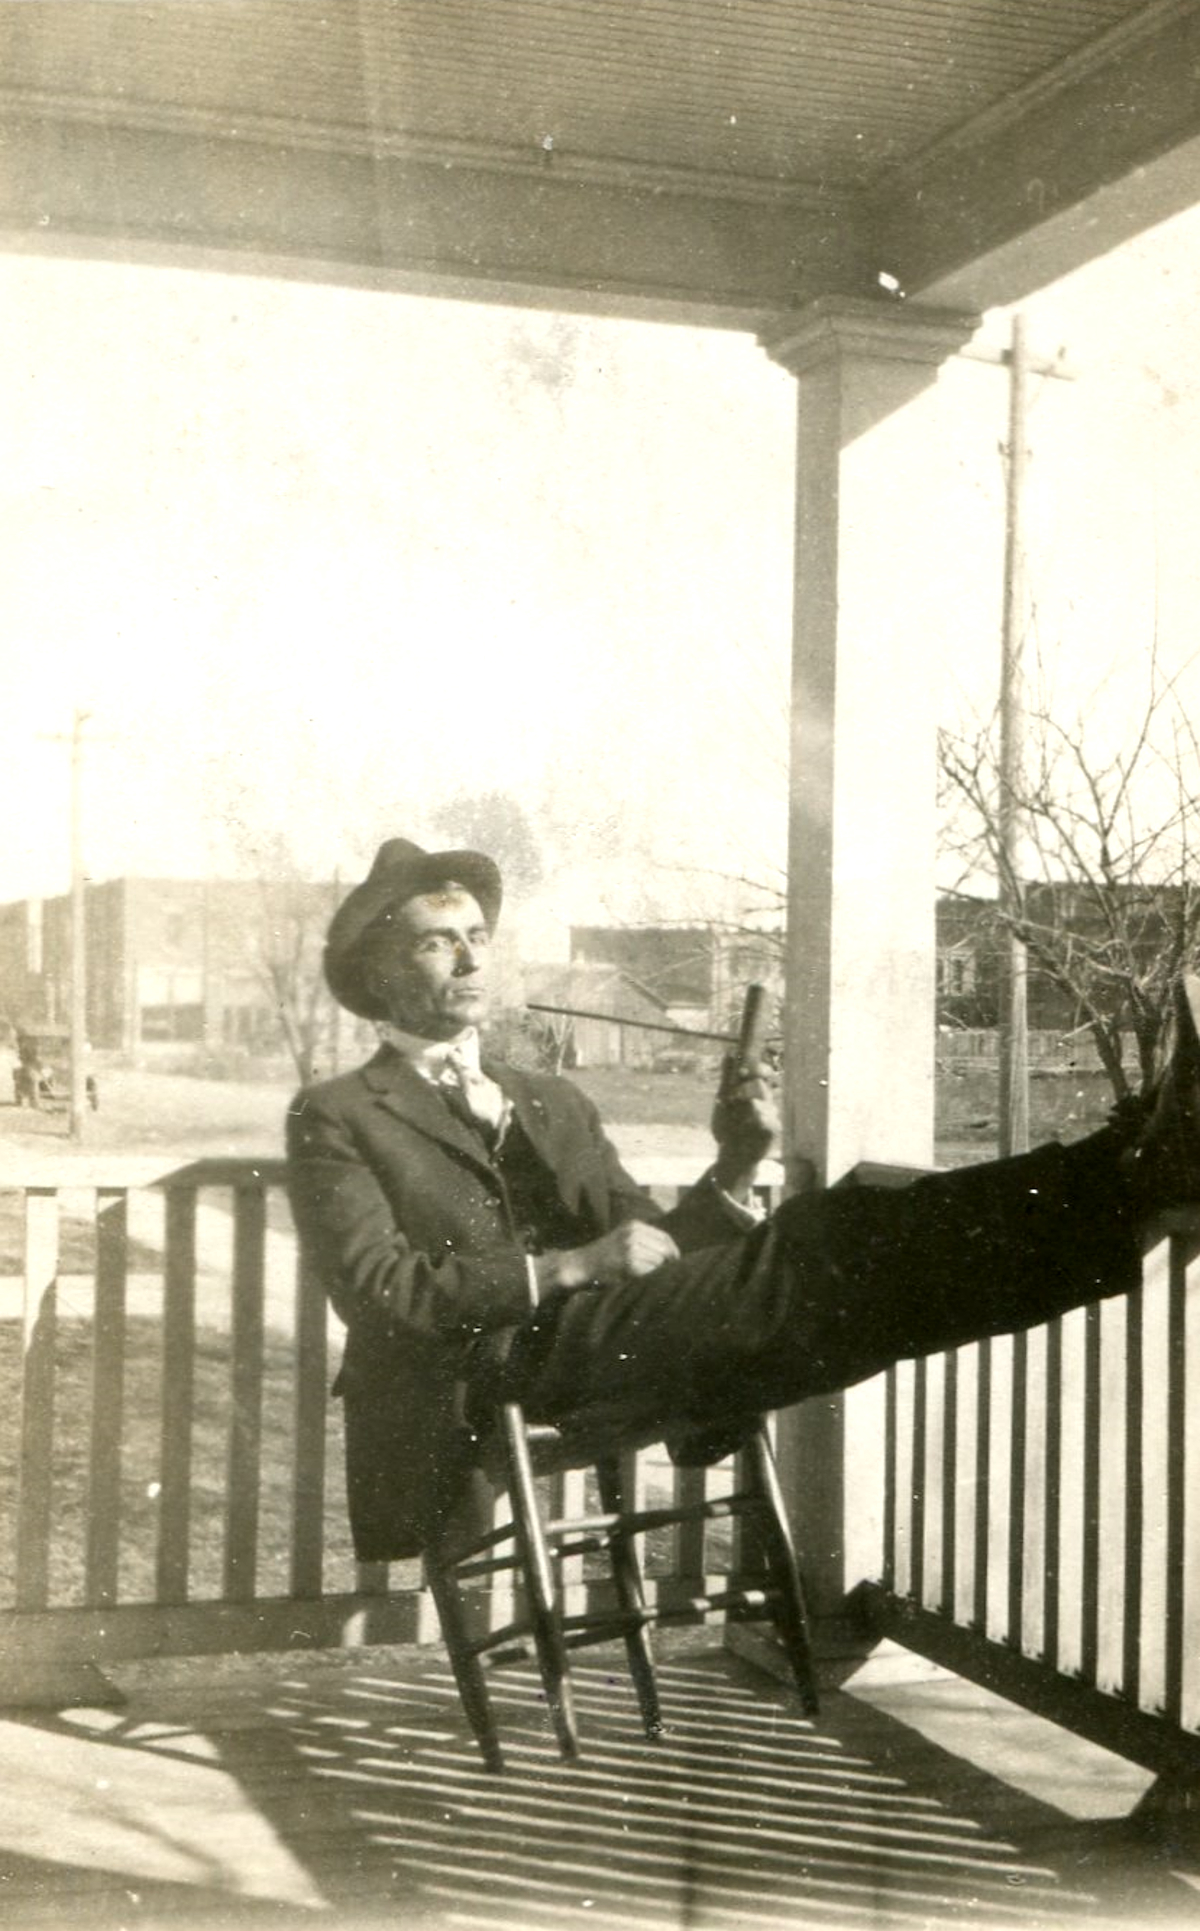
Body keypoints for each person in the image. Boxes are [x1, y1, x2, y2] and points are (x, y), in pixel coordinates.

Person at [286, 837, 1200, 1565]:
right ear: (380, 971)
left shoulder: (547, 1096)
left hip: (605, 1331)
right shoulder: (336, 1113)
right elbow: (379, 1289)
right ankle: (1132, 1169)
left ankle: (1131, 1184)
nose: (469, 957)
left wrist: (732, 1167)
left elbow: (649, 1244)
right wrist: (566, 1265)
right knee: (826, 1238)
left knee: (867, 1300)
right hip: (487, 1365)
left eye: (479, 935)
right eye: (437, 939)